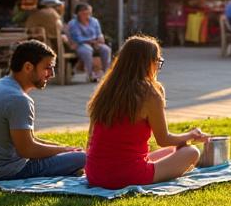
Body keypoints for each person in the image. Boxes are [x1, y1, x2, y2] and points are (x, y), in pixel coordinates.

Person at [84, 36, 209, 189]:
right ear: (148, 63)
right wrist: (191, 135)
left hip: (94, 174)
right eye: (157, 62)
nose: (158, 67)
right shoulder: (149, 93)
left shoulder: (106, 89)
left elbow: (90, 137)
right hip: (124, 176)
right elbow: (163, 139)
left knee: (172, 150)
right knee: (191, 152)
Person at [0, 39, 85, 179]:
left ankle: (71, 167)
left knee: (73, 155)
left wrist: (63, 149)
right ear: (28, 67)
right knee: (83, 158)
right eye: (47, 67)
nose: (52, 74)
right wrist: (65, 150)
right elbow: (27, 150)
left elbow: (29, 140)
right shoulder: (18, 99)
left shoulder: (1, 85)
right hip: (5, 171)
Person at [66, 3, 112, 81]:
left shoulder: (94, 21)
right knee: (87, 50)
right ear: (79, 13)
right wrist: (92, 42)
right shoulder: (73, 23)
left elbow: (99, 33)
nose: (88, 15)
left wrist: (100, 37)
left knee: (106, 49)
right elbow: (78, 38)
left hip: (95, 43)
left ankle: (106, 73)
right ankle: (90, 75)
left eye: (89, 13)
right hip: (80, 44)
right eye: (85, 13)